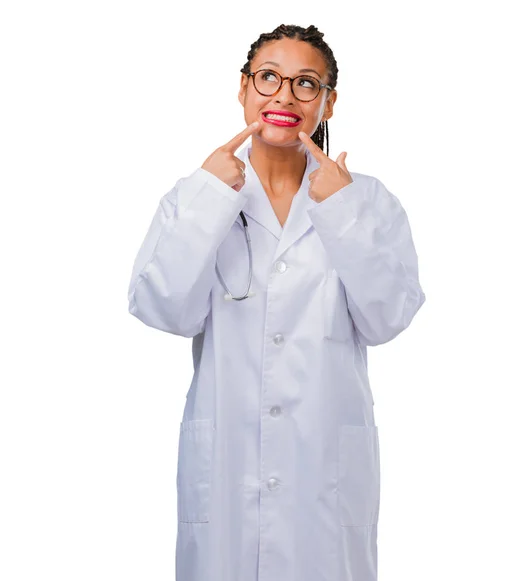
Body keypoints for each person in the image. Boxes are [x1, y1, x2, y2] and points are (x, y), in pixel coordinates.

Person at [127, 23, 426, 581]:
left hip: (325, 481)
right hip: (226, 474)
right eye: (269, 77)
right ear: (243, 88)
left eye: (306, 83)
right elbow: (163, 309)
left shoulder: (368, 202)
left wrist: (341, 212)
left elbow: (388, 318)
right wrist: (210, 197)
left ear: (328, 102)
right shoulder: (195, 197)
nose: (284, 96)